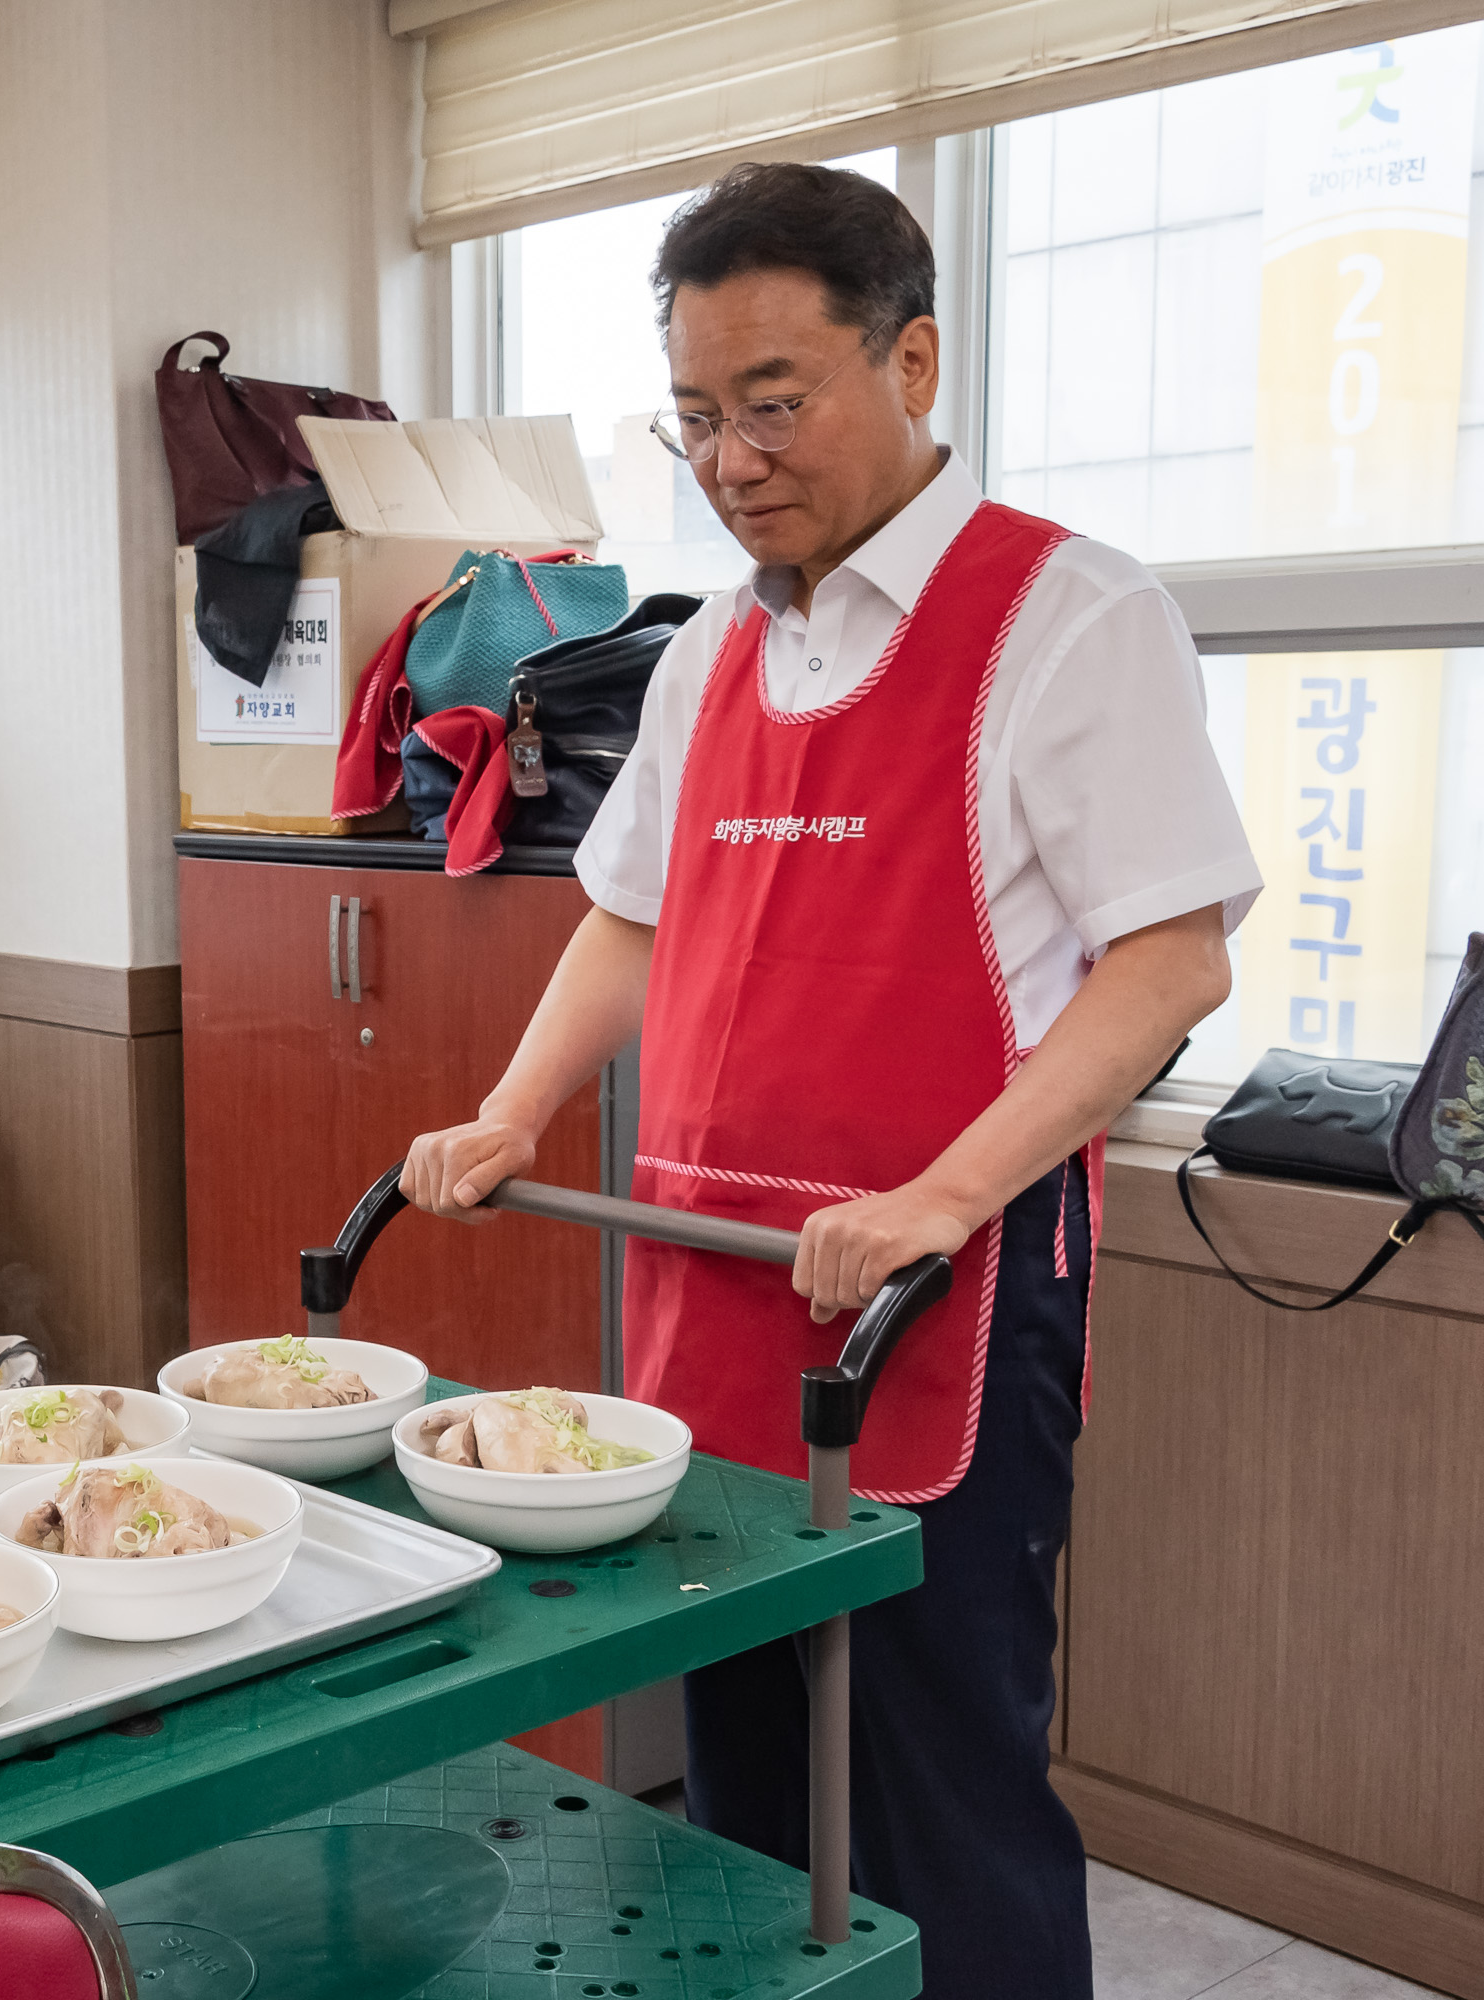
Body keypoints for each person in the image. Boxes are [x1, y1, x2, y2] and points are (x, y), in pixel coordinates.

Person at [401, 164, 1259, 1998]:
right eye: (697, 415)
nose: (731, 457)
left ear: (916, 358)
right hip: (711, 1290)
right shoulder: (714, 646)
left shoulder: (1065, 617)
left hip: (932, 1309)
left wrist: (946, 1196)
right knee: (743, 1798)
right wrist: (512, 1108)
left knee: (941, 1787)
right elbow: (627, 918)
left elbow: (1173, 957)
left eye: (774, 401)